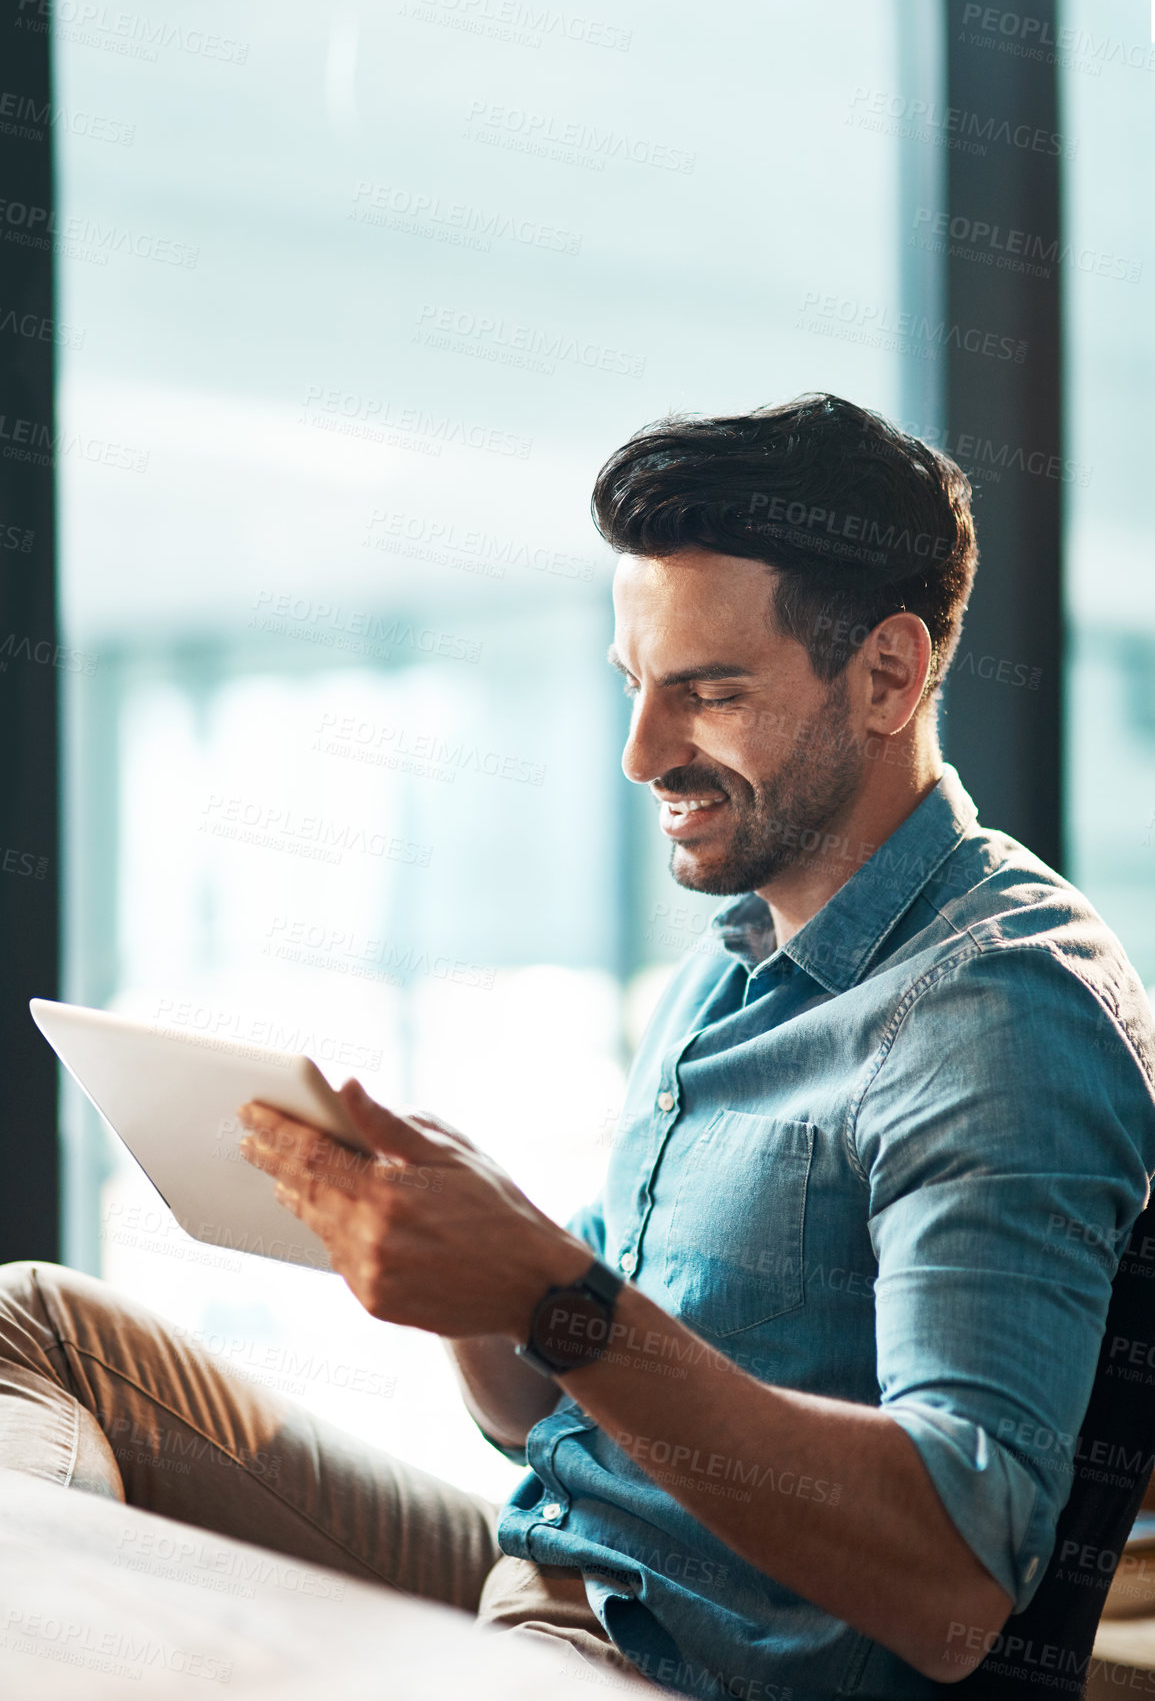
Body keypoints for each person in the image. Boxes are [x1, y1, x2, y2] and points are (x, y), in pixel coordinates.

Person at [3, 393, 1153, 1701]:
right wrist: (474, 1272)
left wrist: (557, 1294)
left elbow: (953, 1585)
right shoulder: (735, 966)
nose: (641, 753)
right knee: (38, 1327)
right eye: (635, 687)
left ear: (888, 675)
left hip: (654, 1661)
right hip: (547, 1575)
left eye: (708, 694)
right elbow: (550, 1412)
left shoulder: (997, 1016)